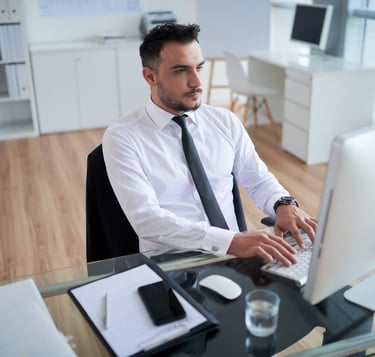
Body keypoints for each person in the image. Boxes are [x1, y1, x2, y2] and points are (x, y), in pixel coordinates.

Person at [103, 23, 317, 266]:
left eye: (199, 67)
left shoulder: (224, 121)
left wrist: (283, 203)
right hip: (175, 263)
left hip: (239, 254)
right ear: (150, 76)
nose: (196, 82)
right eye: (181, 70)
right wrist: (229, 241)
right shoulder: (122, 137)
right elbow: (147, 219)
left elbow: (258, 179)